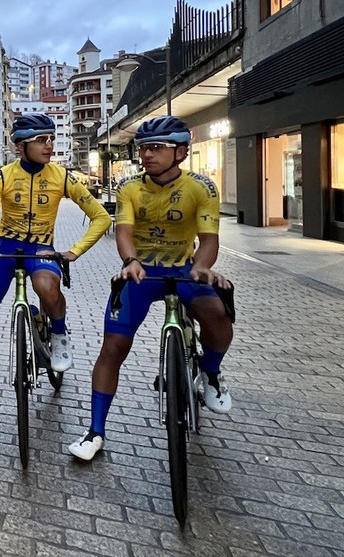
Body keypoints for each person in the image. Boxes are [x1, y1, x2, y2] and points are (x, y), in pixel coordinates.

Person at [0, 113, 111, 429]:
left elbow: (102, 218)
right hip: (4, 247)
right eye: (41, 140)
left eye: (51, 138)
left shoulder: (63, 177)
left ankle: (58, 334)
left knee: (46, 285)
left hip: (40, 249)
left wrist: (73, 251)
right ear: (19, 147)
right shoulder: (0, 178)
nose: (49, 145)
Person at [69, 116, 234, 461]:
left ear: (181, 152)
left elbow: (209, 239)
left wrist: (202, 267)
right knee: (112, 347)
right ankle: (95, 430)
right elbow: (124, 232)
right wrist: (130, 260)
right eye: (143, 148)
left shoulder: (202, 187)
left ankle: (211, 374)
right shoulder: (129, 187)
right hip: (140, 271)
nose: (146, 154)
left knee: (217, 313)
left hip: (185, 268)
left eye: (156, 148)